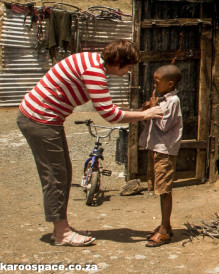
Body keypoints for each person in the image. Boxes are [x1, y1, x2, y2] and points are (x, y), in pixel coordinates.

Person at [16, 39, 163, 247]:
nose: (129, 71)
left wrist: (140, 113)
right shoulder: (94, 72)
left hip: (47, 120)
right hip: (39, 119)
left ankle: (61, 228)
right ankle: (62, 234)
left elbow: (106, 106)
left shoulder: (94, 62)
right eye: (129, 66)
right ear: (118, 62)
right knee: (56, 176)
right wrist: (145, 114)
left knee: (63, 172)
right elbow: (109, 114)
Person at [139, 64, 183, 247]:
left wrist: (153, 109)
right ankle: (166, 225)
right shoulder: (162, 99)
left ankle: (164, 231)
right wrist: (147, 110)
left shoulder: (173, 102)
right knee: (159, 189)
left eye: (157, 82)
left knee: (164, 190)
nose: (154, 85)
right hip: (156, 148)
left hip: (165, 151)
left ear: (170, 83)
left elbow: (164, 126)